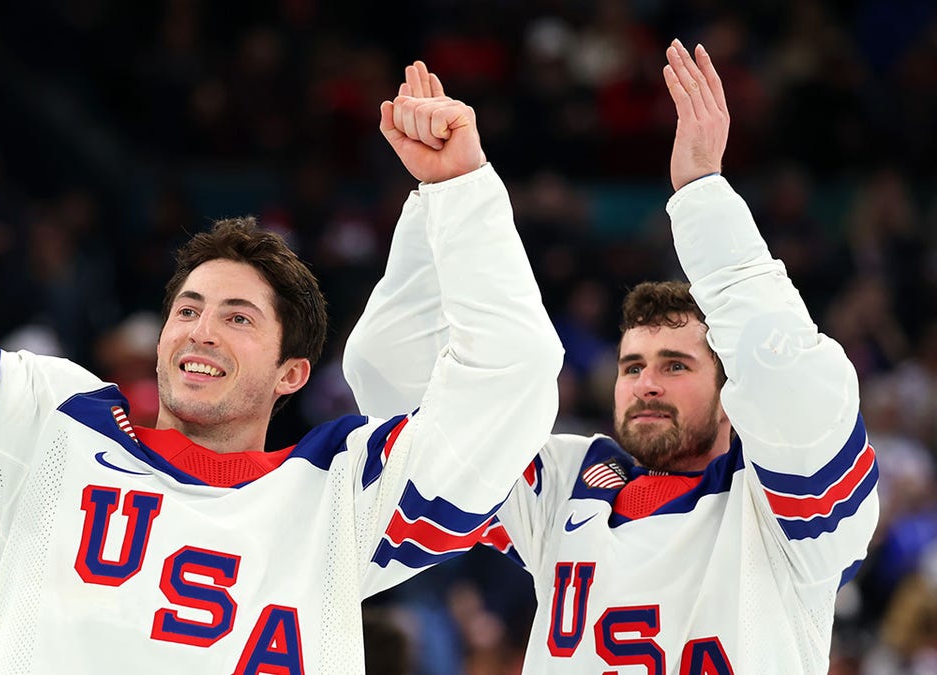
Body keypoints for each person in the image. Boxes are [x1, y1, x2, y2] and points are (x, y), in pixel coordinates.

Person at [0, 17, 564, 674]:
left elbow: (512, 380)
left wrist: (460, 187)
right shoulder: (51, 426)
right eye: (189, 308)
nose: (200, 329)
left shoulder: (342, 499)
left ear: (292, 371)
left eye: (238, 317)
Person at [342, 41, 878, 673]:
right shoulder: (570, 486)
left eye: (676, 365)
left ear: (734, 395)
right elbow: (398, 382)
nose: (646, 383)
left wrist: (703, 193)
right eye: (632, 366)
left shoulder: (787, 517)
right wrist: (448, 194)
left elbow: (786, 373)